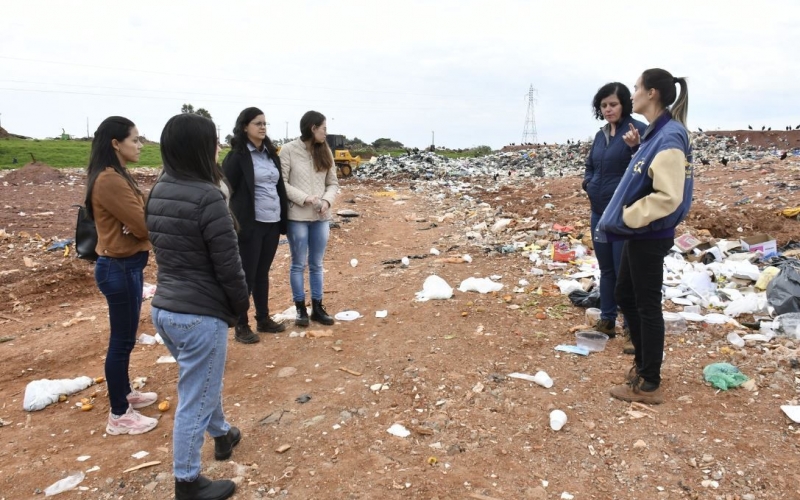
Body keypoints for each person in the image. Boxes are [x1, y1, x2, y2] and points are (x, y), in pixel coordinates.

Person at [147, 113, 249, 500]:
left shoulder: (158, 189)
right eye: (214, 141)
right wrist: (241, 308)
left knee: (201, 381)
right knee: (195, 396)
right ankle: (187, 482)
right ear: (200, 148)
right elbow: (229, 265)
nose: (219, 146)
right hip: (198, 314)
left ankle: (223, 434)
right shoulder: (208, 195)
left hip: (165, 310)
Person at [596, 68, 693, 405]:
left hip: (649, 232)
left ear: (652, 93)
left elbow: (669, 196)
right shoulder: (656, 133)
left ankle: (649, 380)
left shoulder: (668, 137)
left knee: (646, 303)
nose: (632, 93)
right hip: (641, 232)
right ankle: (642, 364)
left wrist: (627, 216)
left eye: (636, 88)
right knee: (627, 292)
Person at [84, 116, 158, 436]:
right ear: (116, 143)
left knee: (125, 339)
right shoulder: (109, 180)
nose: (139, 145)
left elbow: (143, 213)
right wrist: (139, 224)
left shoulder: (117, 174)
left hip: (126, 266)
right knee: (121, 341)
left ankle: (125, 393)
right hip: (119, 267)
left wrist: (140, 220)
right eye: (135, 139)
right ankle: (118, 415)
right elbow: (145, 224)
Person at [583, 83, 646, 354]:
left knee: (625, 273)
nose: (608, 109)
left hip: (622, 212)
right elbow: (591, 165)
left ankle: (632, 328)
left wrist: (634, 149)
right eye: (604, 105)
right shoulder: (601, 135)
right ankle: (607, 320)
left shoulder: (637, 131)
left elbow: (645, 169)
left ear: (624, 105)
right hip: (599, 211)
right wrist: (588, 183)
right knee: (606, 269)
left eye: (613, 104)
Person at [222, 107, 289, 344]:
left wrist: (284, 221)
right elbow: (226, 190)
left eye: (264, 123)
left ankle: (263, 318)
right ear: (244, 127)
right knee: (247, 275)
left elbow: (279, 188)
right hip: (250, 224)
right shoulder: (237, 157)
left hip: (272, 222)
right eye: (257, 123)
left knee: (262, 273)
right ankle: (241, 324)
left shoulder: (271, 155)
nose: (262, 127)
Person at [279, 111, 339, 326]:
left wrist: (326, 201)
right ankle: (300, 309)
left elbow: (333, 183)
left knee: (316, 263)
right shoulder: (288, 150)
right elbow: (282, 183)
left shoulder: (325, 151)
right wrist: (305, 198)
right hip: (297, 216)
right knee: (298, 264)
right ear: (313, 128)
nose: (326, 132)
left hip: (321, 217)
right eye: (324, 128)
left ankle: (317, 307)